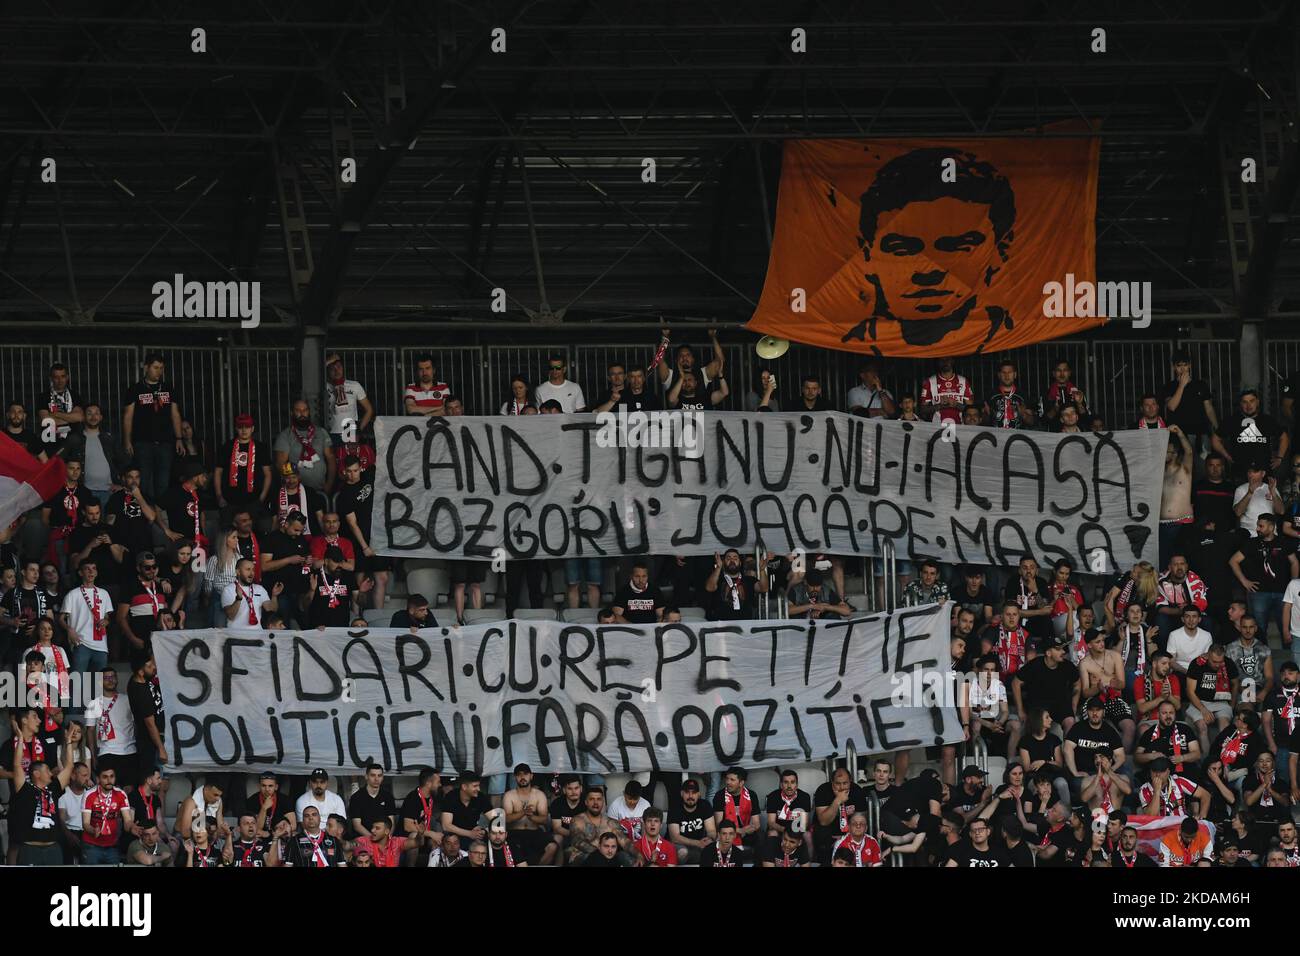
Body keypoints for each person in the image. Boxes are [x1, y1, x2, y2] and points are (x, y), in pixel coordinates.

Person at [8, 717, 78, 866]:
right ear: (36, 774)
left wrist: (69, 742)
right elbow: (16, 765)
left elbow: (70, 767)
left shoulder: (53, 788)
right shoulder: (24, 788)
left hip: (53, 848)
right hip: (29, 849)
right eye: (47, 770)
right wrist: (20, 738)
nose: (51, 774)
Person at [122, 352, 184, 500]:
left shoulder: (168, 388)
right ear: (146, 368)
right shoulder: (135, 389)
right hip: (143, 442)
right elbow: (128, 416)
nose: (159, 371)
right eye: (156, 368)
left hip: (165, 442)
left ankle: (161, 516)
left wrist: (179, 438)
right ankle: (145, 517)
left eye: (161, 368)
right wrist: (127, 440)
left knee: (163, 482)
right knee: (144, 482)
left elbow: (175, 414)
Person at [1213, 388, 1287, 480]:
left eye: (1252, 401)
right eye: (1244, 402)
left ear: (1257, 402)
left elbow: (1283, 437)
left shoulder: (1267, 420)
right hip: (1239, 472)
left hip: (1264, 472)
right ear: (1240, 404)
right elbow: (1215, 439)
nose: (1248, 405)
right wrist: (1226, 456)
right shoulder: (1232, 420)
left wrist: (1279, 457)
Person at [260, 510, 312, 628]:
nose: (298, 534)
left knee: (306, 627)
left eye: (301, 530)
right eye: (296, 530)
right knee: (284, 627)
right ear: (286, 524)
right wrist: (288, 560)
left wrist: (308, 560)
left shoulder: (301, 539)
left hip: (300, 590)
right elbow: (264, 566)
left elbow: (306, 557)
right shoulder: (272, 538)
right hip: (280, 591)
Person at [1185, 644, 1241, 753]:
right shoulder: (1196, 664)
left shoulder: (1228, 663)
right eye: (1214, 662)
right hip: (1199, 701)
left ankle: (1224, 761)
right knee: (1202, 727)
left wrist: (1232, 705)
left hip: (1221, 702)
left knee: (1225, 727)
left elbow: (1235, 684)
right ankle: (1207, 761)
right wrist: (1203, 710)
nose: (1217, 665)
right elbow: (1190, 692)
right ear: (1208, 656)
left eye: (1220, 662)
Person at [273, 398, 335, 494]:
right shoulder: (285, 435)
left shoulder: (321, 432)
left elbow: (331, 458)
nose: (302, 413)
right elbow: (280, 465)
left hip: (320, 490)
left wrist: (329, 484)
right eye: (298, 410)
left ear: (309, 412)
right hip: (296, 491)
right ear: (292, 413)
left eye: (305, 410)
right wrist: (290, 487)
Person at [81, 763, 134, 865]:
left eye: (111, 776)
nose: (109, 780)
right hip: (92, 846)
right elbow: (85, 824)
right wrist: (93, 830)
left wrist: (132, 827)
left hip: (112, 846)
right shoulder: (89, 795)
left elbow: (127, 820)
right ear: (98, 779)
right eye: (105, 777)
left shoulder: (121, 794)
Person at [502, 763, 554, 865]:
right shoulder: (509, 795)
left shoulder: (539, 795)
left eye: (525, 774)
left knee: (552, 847)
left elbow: (544, 819)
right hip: (514, 833)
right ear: (515, 777)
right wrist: (523, 812)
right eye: (519, 775)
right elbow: (506, 819)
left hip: (534, 832)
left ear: (531, 776)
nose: (522, 777)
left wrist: (532, 816)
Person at [566, 786, 630, 865]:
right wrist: (602, 852)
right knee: (595, 858)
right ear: (586, 802)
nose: (595, 802)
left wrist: (638, 855)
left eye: (599, 799)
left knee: (625, 856)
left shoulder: (611, 823)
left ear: (603, 802)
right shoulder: (578, 820)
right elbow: (578, 842)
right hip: (585, 859)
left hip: (607, 857)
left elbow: (626, 843)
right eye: (592, 799)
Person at [1136, 702, 1202, 777]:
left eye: (1171, 713)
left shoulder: (1185, 729)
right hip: (1159, 774)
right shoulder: (1150, 732)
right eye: (1164, 713)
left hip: (1185, 772)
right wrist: (1152, 756)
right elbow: (1138, 756)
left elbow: (1197, 754)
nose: (1168, 716)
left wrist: (1182, 758)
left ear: (1175, 715)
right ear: (1158, 715)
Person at [322, 353, 374, 446]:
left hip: (350, 432)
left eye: (339, 366)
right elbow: (311, 374)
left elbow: (369, 410)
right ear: (328, 371)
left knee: (350, 459)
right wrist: (327, 362)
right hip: (330, 432)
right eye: (332, 368)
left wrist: (358, 429)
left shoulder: (354, 385)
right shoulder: (324, 386)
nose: (336, 370)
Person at [703, 548, 770, 620]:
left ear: (740, 563)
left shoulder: (749, 580)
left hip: (745, 625)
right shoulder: (718, 579)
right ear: (723, 562)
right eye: (728, 558)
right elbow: (709, 587)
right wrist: (718, 567)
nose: (732, 561)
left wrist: (762, 570)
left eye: (735, 558)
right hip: (721, 625)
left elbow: (764, 588)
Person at [221, 557, 280, 630]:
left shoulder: (259, 589)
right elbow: (230, 616)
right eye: (248, 569)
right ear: (238, 572)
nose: (251, 573)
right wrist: (238, 598)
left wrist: (274, 596)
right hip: (236, 636)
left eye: (253, 570)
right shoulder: (228, 589)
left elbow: (271, 610)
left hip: (257, 635)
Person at [667, 778, 716, 864]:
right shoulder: (675, 807)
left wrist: (710, 839)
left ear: (699, 794)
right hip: (678, 845)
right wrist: (697, 843)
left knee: (713, 849)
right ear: (682, 794)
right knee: (683, 852)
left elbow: (711, 830)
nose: (690, 796)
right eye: (687, 792)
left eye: (693, 793)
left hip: (698, 845)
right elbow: (675, 838)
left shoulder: (705, 805)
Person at [440, 771, 493, 848]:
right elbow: (446, 826)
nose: (479, 789)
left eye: (479, 786)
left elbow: (495, 818)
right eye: (475, 786)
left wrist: (484, 831)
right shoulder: (450, 797)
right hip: (454, 835)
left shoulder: (480, 797)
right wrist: (469, 833)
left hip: (475, 834)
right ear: (464, 787)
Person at [763, 768, 814, 847]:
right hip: (779, 830)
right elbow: (771, 823)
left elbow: (804, 824)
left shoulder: (804, 797)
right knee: (772, 833)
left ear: (797, 784)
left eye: (792, 782)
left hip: (797, 831)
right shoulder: (772, 796)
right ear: (781, 785)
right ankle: (771, 859)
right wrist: (786, 831)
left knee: (807, 835)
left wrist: (794, 833)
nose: (789, 786)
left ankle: (809, 859)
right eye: (786, 782)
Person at [281, 805, 346, 867]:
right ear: (303, 820)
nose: (311, 818)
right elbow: (288, 865)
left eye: (314, 814)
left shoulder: (334, 841)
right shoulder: (294, 841)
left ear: (320, 818)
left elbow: (342, 864)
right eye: (307, 816)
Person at [1133, 651, 1182, 731]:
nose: (1167, 667)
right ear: (1154, 664)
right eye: (1164, 663)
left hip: (1169, 720)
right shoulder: (1140, 680)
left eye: (1169, 664)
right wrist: (1161, 698)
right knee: (1143, 729)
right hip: (1149, 721)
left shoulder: (1173, 679)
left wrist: (1169, 696)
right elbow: (1142, 708)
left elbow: (1178, 706)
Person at [347, 763, 397, 838]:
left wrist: (386, 838)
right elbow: (357, 826)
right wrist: (374, 839)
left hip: (384, 838)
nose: (376, 779)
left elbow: (391, 823)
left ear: (382, 777)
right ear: (366, 777)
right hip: (363, 839)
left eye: (379, 776)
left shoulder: (388, 796)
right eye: (373, 775)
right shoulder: (356, 797)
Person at [919, 357, 973, 424]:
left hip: (960, 426)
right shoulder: (929, 381)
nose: (945, 362)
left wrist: (955, 404)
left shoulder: (963, 381)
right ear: (938, 362)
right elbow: (923, 410)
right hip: (937, 426)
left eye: (947, 359)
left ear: (952, 361)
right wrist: (939, 406)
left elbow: (972, 410)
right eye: (942, 360)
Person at [1166, 605, 1213, 676]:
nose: (1191, 620)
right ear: (1182, 619)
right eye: (1187, 616)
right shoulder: (1174, 635)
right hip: (1180, 671)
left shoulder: (1207, 635)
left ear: (1199, 619)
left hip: (1200, 671)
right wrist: (1187, 672)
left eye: (1194, 616)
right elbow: (1171, 662)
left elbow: (1208, 659)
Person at [984, 361, 1030, 429]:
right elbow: (983, 423)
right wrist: (987, 415)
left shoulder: (1023, 395)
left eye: (1010, 372)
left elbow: (1032, 422)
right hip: (996, 436)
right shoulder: (991, 395)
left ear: (1015, 375)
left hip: (1017, 437)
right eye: (1004, 372)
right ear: (999, 375)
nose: (1007, 375)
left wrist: (1023, 415)